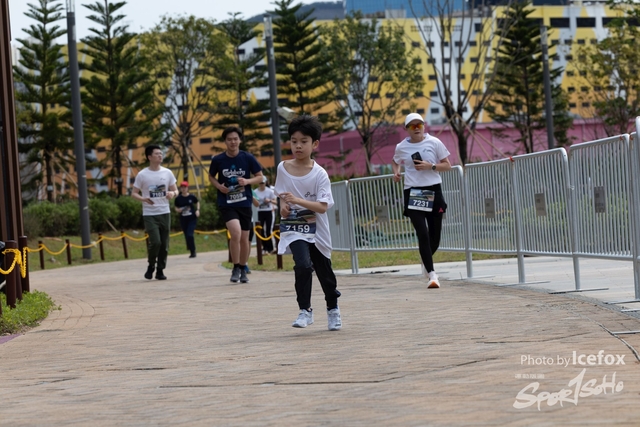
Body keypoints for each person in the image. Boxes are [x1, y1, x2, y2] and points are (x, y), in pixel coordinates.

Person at [275, 115, 342, 331]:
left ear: (315, 144)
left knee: (324, 272)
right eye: (294, 141)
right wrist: (283, 206)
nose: (298, 146)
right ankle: (305, 310)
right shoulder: (283, 168)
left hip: (317, 229)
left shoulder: (320, 174)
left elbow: (322, 207)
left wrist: (297, 200)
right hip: (294, 227)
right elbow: (281, 195)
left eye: (303, 141)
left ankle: (333, 308)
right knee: (302, 265)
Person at [392, 112, 451, 289]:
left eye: (419, 125)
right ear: (406, 129)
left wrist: (430, 166)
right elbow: (395, 161)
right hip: (414, 191)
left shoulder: (434, 142)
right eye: (412, 126)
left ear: (424, 126)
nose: (416, 128)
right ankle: (432, 275)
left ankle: (426, 260)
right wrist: (396, 172)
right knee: (422, 233)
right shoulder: (401, 146)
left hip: (433, 189)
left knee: (435, 237)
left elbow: (447, 165)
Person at [209, 126, 263, 283]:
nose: (232, 142)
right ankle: (235, 267)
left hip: (244, 202)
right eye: (229, 139)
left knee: (245, 238)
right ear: (225, 141)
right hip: (227, 202)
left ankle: (243, 267)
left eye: (235, 139)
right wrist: (219, 186)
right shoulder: (218, 160)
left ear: (240, 140)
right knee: (236, 233)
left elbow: (260, 177)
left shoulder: (247, 157)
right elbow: (211, 176)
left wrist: (247, 181)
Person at [132, 145, 178, 280]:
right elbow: (134, 193)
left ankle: (160, 270)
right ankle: (151, 265)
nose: (160, 155)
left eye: (161, 153)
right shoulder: (142, 174)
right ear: (149, 157)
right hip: (149, 213)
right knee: (156, 242)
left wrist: (172, 193)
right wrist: (143, 199)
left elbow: (175, 190)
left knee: (164, 244)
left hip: (165, 212)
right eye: (157, 154)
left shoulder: (167, 173)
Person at [174, 181, 200, 258]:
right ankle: (191, 249)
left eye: (185, 187)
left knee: (190, 234)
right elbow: (176, 207)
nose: (183, 189)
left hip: (191, 219)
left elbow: (197, 202)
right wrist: (177, 210)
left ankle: (193, 251)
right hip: (183, 219)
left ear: (187, 188)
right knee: (186, 235)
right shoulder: (178, 198)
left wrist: (197, 210)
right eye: (182, 187)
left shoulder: (191, 196)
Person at [255, 176, 277, 254]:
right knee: (260, 230)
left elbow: (275, 201)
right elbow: (255, 203)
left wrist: (270, 200)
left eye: (263, 183)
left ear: (265, 183)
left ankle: (271, 247)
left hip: (268, 212)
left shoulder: (270, 191)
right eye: (260, 183)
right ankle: (264, 247)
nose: (262, 185)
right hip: (260, 211)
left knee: (268, 230)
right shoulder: (255, 192)